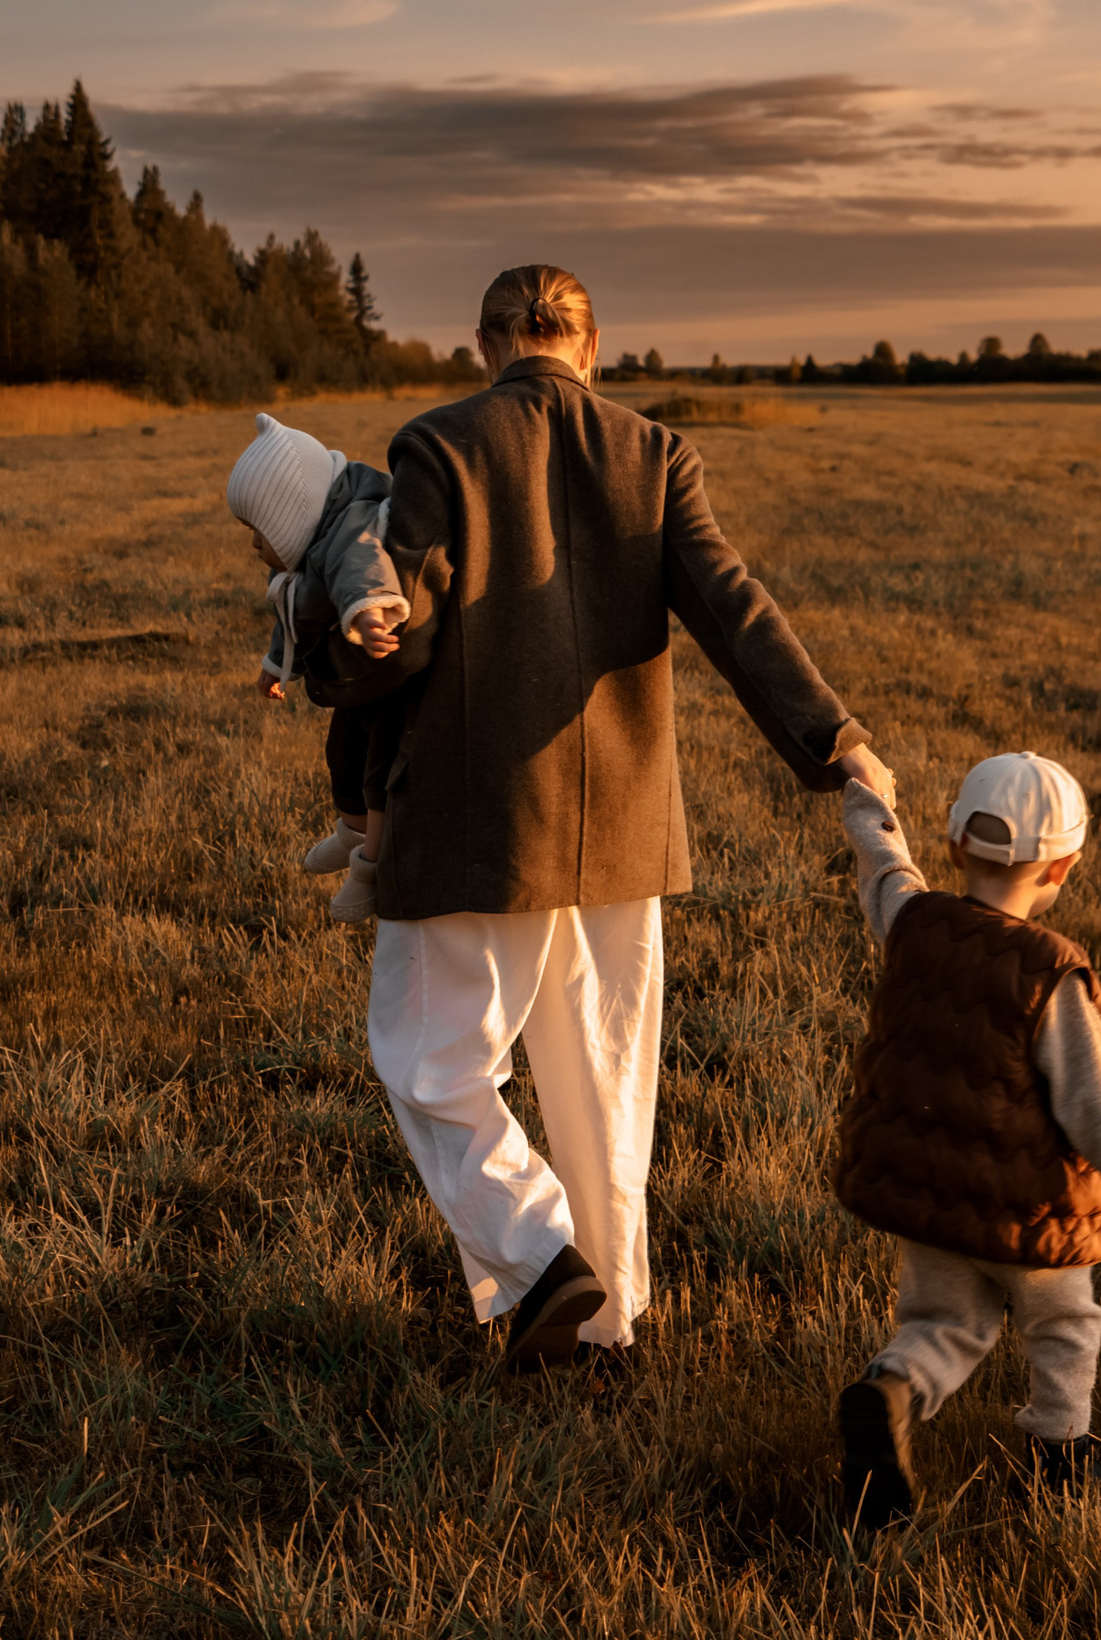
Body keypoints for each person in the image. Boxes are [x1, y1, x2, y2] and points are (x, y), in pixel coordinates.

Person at [360, 264, 891, 1372]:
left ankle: (541, 1257)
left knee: (427, 1059)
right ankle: (607, 1327)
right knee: (605, 1086)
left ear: (481, 345)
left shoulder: (437, 446)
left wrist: (327, 637)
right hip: (624, 828)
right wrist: (833, 741)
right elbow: (734, 606)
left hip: (477, 820)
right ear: (593, 348)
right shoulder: (652, 455)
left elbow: (398, 641)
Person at [830, 752, 1101, 1525]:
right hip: (1031, 1213)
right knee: (1064, 1323)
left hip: (928, 1195)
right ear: (1064, 865)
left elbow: (883, 868)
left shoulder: (913, 922)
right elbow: (1097, 1103)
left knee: (942, 1324)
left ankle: (890, 1390)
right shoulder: (1048, 971)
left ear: (954, 844)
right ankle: (1060, 1453)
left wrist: (869, 802)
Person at [227, 413, 409, 922]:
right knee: (341, 755)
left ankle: (369, 867)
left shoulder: (348, 530)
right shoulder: (302, 558)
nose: (254, 545)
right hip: (354, 686)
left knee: (378, 772)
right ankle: (350, 831)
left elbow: (363, 567)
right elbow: (292, 612)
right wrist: (274, 665)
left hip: (383, 678)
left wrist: (370, 611)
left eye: (257, 531)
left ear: (291, 515)